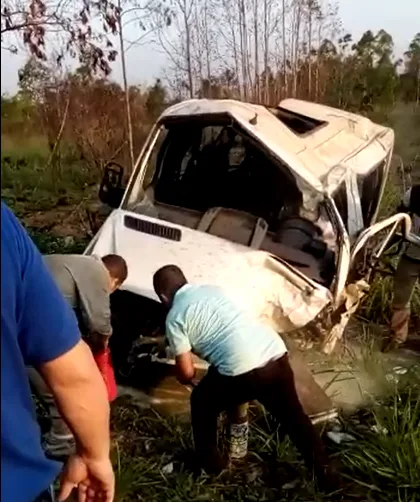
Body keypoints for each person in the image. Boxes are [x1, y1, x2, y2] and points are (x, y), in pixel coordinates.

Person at [153, 264, 336, 490]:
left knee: (201, 402)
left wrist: (185, 376)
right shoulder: (212, 290)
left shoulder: (175, 317)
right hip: (274, 353)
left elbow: (187, 372)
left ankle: (212, 467)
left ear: (163, 296)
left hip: (242, 370)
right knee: (295, 419)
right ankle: (328, 478)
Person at [1, 202, 115, 502]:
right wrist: (94, 454)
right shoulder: (4, 229)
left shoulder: (79, 261)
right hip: (14, 485)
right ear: (114, 280)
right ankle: (59, 445)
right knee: (53, 393)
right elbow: (75, 373)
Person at [29, 252, 128, 459]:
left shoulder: (74, 261)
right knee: (58, 385)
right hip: (30, 321)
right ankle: (60, 444)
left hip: (16, 309)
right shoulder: (98, 273)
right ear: (115, 281)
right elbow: (99, 324)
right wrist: (102, 349)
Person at [382, 184, 420, 353]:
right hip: (412, 253)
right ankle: (397, 337)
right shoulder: (414, 193)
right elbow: (398, 219)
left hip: (412, 250)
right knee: (401, 298)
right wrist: (384, 244)